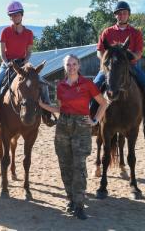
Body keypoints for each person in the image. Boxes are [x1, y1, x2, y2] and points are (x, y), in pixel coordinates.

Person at [39, 54, 108, 220]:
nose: (71, 67)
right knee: (65, 167)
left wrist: (95, 120)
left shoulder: (87, 84)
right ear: (65, 67)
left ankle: (79, 205)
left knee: (79, 167)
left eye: (74, 64)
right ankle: (70, 200)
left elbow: (103, 103)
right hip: (63, 127)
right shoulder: (61, 86)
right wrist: (42, 105)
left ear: (79, 66)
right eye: (68, 64)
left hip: (81, 128)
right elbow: (60, 109)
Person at [93, 1, 145, 140]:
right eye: (119, 13)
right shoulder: (107, 32)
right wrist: (105, 63)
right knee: (94, 86)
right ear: (115, 16)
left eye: (124, 13)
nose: (122, 15)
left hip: (130, 66)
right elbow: (99, 52)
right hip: (109, 68)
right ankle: (92, 122)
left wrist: (129, 57)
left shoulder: (135, 33)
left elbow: (138, 53)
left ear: (128, 15)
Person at [0, 1, 56, 126]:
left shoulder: (29, 33)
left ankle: (47, 115)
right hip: (7, 64)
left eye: (17, 14)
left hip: (23, 65)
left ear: (22, 15)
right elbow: (1, 51)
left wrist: (26, 60)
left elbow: (29, 52)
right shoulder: (5, 31)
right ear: (10, 17)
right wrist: (6, 62)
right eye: (13, 15)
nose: (15, 17)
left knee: (43, 85)